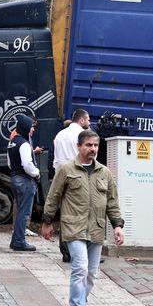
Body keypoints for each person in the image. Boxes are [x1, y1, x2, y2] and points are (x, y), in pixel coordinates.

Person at [40, 130, 124, 306]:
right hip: (73, 228)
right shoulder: (66, 169)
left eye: (95, 145)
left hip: (96, 229)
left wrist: (117, 226)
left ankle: (80, 304)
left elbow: (112, 202)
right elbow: (53, 196)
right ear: (79, 146)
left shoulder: (104, 172)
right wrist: (47, 221)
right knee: (80, 268)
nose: (92, 149)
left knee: (91, 274)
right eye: (88, 145)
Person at [53, 109, 91, 262]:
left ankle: (66, 251)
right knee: (81, 214)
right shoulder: (81, 135)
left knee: (65, 214)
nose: (89, 122)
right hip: (77, 176)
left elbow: (55, 157)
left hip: (60, 176)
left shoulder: (59, 134)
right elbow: (85, 157)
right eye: (88, 120)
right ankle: (81, 251)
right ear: (82, 120)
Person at [6, 114, 40, 252]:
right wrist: (36, 173)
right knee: (24, 213)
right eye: (31, 127)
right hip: (24, 180)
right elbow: (27, 164)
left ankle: (16, 240)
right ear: (25, 127)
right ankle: (19, 241)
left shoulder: (12, 142)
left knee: (20, 211)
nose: (32, 129)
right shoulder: (24, 144)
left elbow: (9, 163)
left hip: (14, 177)